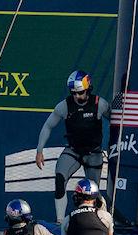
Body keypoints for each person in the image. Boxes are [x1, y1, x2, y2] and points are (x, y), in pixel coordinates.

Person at [35, 70, 111, 223]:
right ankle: (59, 221)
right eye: (73, 93)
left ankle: (102, 219)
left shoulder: (99, 104)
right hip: (73, 151)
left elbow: (116, 121)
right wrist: (39, 150)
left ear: (88, 88)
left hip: (93, 152)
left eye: (80, 92)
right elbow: (48, 126)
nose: (77, 96)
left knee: (93, 192)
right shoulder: (64, 106)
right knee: (59, 178)